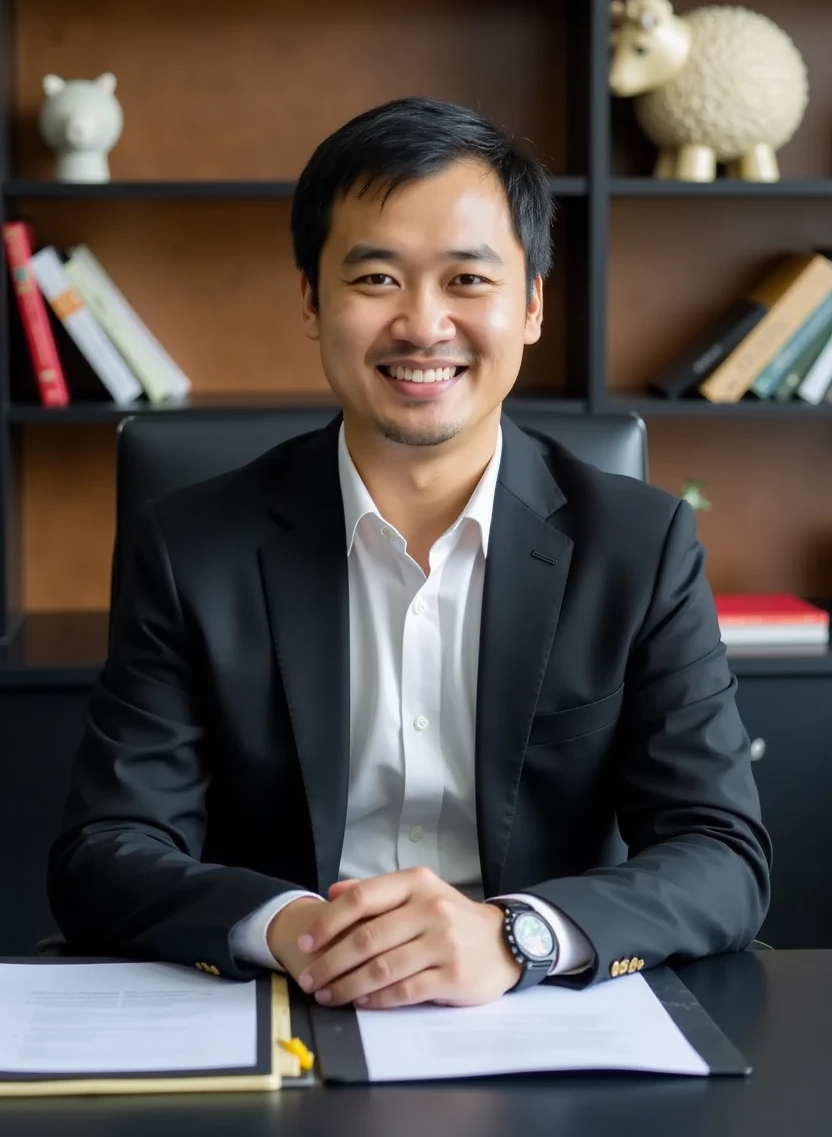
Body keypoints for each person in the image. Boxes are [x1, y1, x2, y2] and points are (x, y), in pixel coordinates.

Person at [47, 96, 772, 1011]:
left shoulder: (640, 545)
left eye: (468, 280)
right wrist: (294, 929)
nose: (424, 326)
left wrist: (517, 936)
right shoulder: (193, 545)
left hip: (537, 1010)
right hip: (286, 1000)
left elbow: (722, 854)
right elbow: (104, 849)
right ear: (311, 300)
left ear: (533, 304)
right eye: (378, 279)